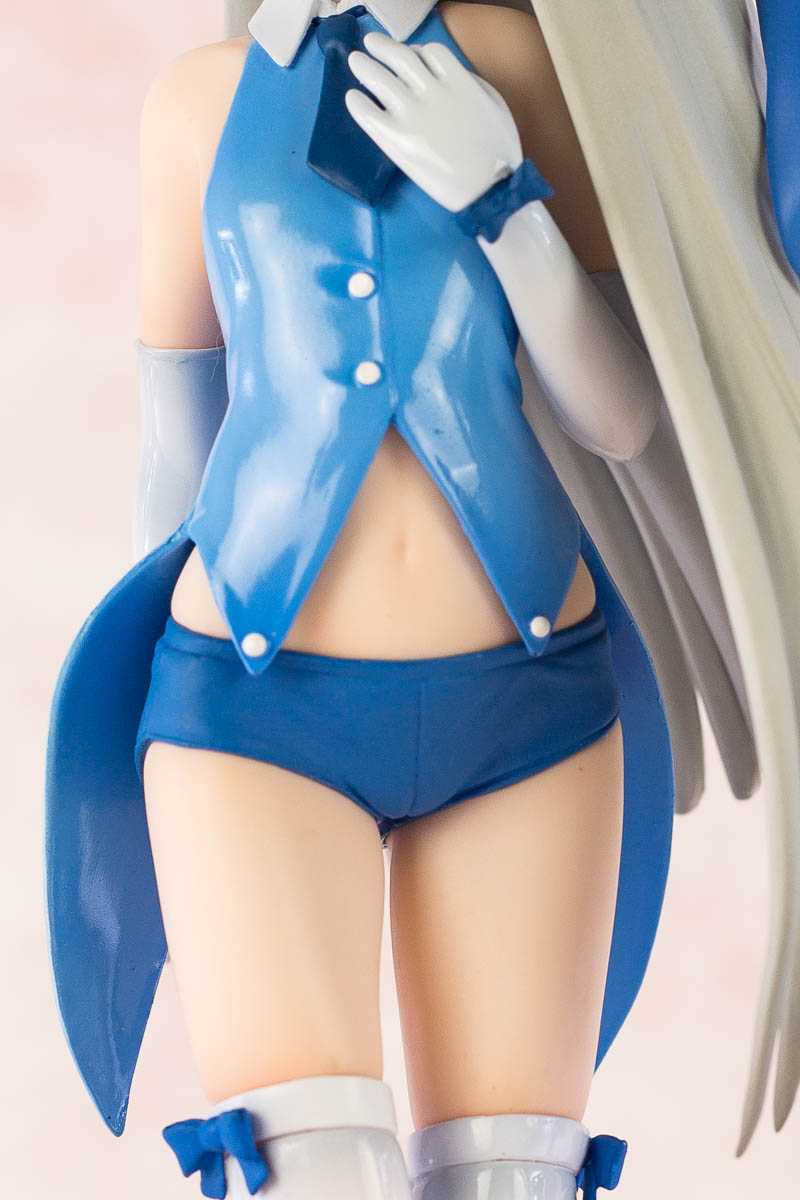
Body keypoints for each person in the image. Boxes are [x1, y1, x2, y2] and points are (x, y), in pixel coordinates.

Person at [44, 1, 800, 1197]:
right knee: (308, 1170)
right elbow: (175, 440)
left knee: (511, 1176)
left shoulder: (529, 65)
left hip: (526, 707)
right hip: (251, 708)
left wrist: (506, 204)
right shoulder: (198, 102)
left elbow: (618, 418)